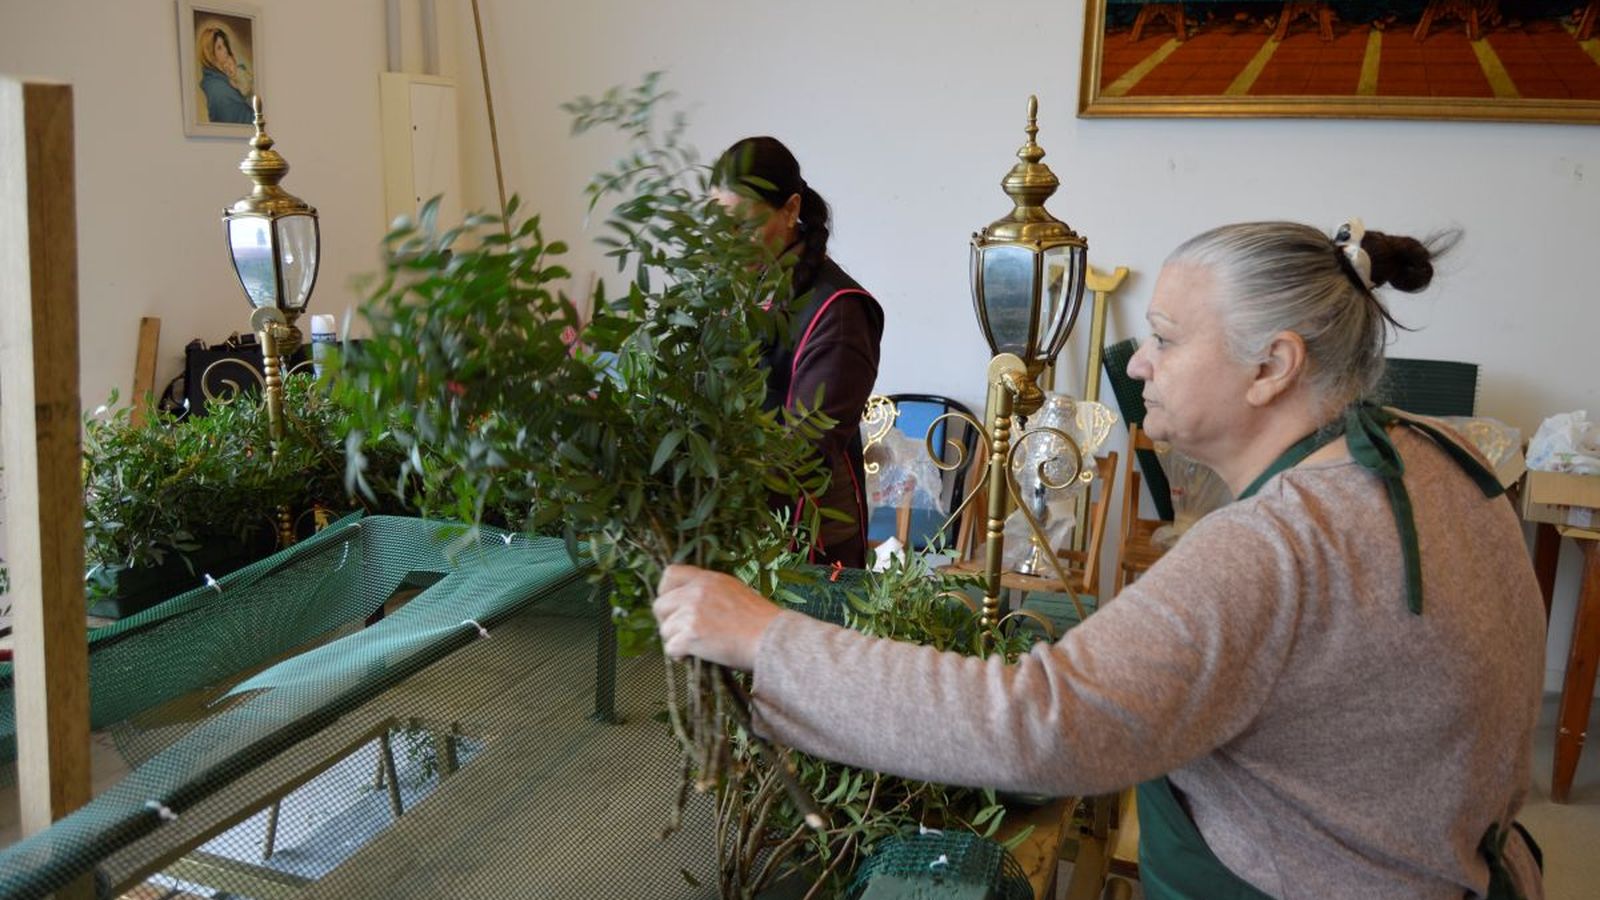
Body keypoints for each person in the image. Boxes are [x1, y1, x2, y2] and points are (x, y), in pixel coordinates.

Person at [654, 219, 1546, 898]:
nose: (1138, 363)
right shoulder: (1444, 458)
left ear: (1272, 366)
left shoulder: (1274, 547)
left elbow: (1037, 726)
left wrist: (767, 638)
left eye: (1165, 337)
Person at [711, 137, 885, 569]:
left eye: (743, 226)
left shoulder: (839, 312)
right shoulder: (737, 291)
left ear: (790, 210)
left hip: (810, 546)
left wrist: (701, 492)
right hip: (737, 528)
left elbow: (802, 455)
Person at [198, 25, 253, 125]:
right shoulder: (216, 86)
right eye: (219, 47)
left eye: (224, 45)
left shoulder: (231, 73)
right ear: (210, 53)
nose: (226, 50)